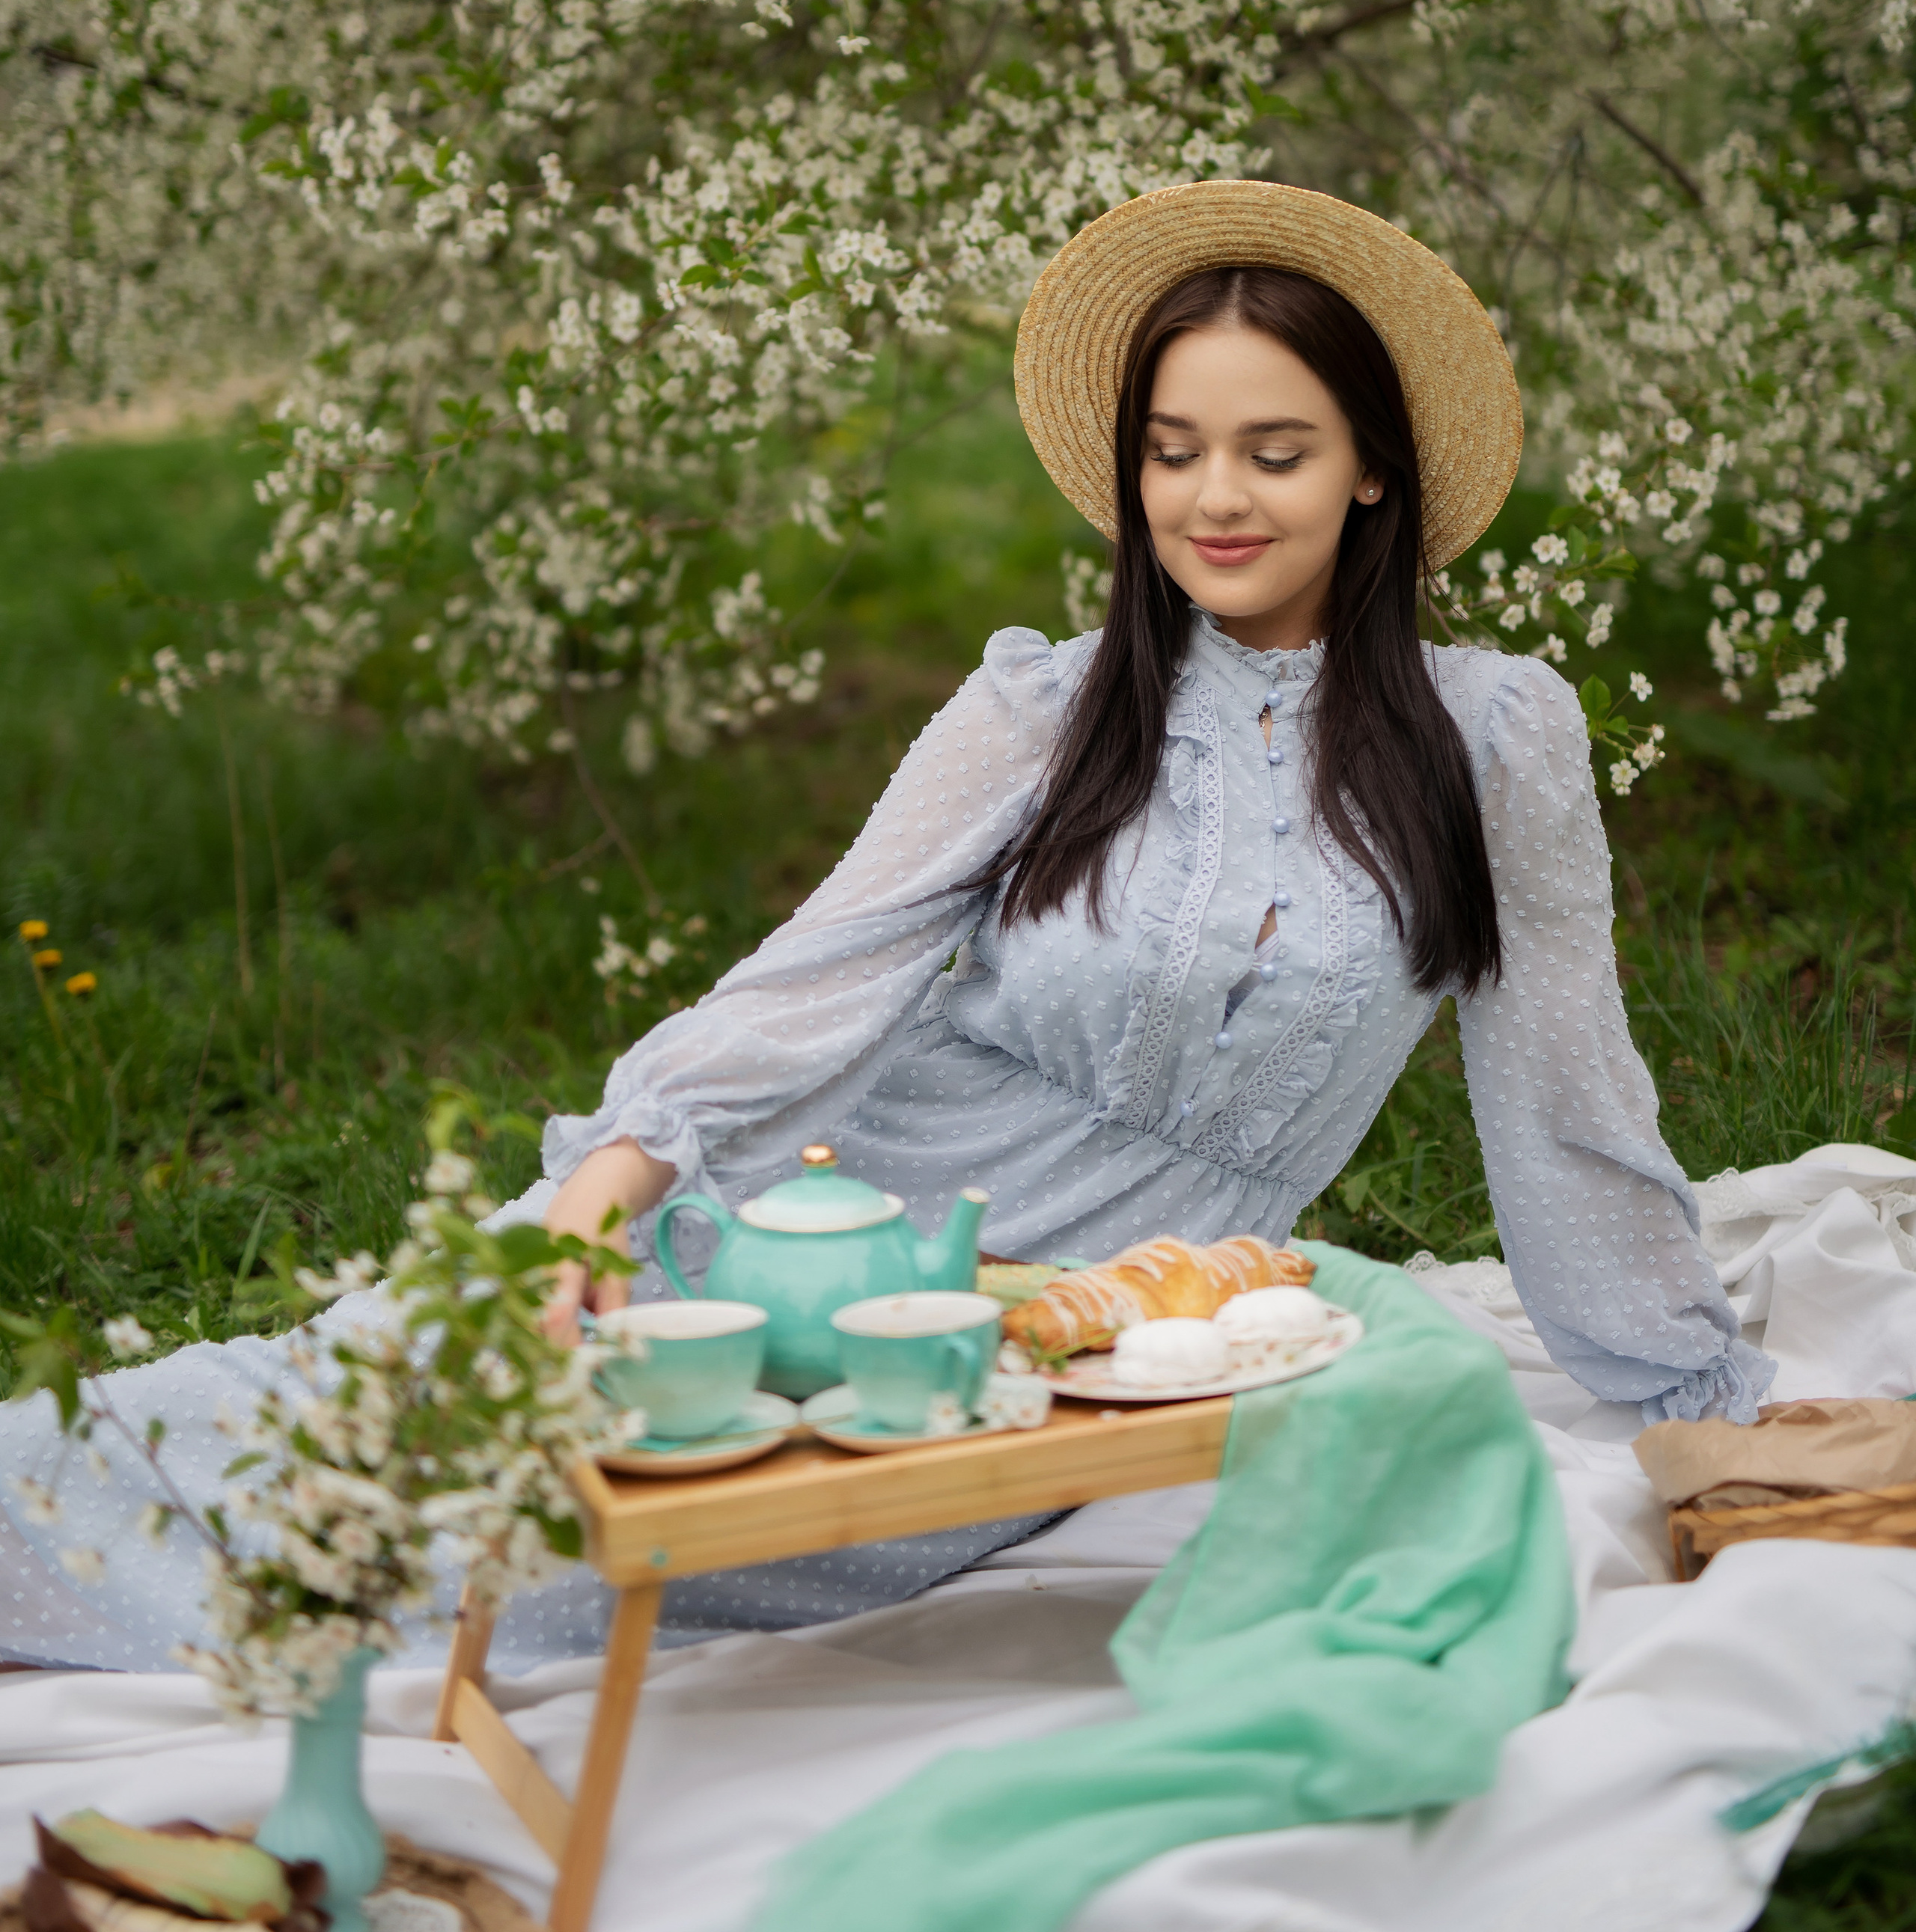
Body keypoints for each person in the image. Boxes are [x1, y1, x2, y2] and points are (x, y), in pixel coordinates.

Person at [0, 181, 1771, 1671]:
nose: (1211, 499)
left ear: (1372, 469)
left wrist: (1694, 1394)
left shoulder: (1492, 740)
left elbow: (1564, 1101)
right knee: (355, 1427)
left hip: (1030, 1359)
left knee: (537, 1568)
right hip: (790, 1234)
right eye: (1170, 451)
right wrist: (587, 1215)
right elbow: (808, 984)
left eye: (1270, 449)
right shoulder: (1040, 706)